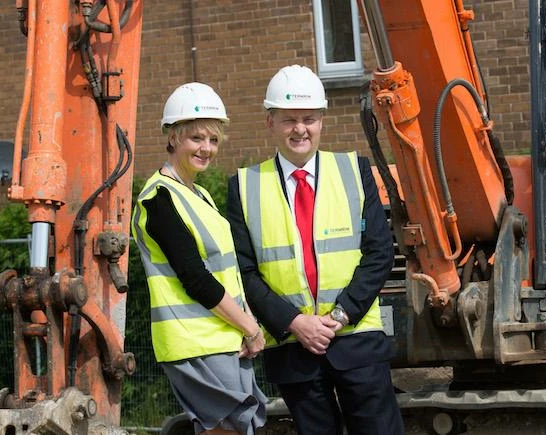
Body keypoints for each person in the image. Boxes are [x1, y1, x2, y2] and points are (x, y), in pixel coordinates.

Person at [226, 65, 404, 435]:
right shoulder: (244, 186)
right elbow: (244, 272)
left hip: (356, 339)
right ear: (270, 122)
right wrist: (295, 323)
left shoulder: (355, 171)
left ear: (322, 120)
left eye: (308, 118)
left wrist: (339, 316)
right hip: (294, 348)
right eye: (289, 120)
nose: (300, 129)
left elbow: (380, 252)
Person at [132, 82, 267, 435]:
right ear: (173, 137)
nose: (206, 148)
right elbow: (196, 278)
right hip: (194, 340)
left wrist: (244, 322)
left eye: (213, 139)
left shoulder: (199, 193)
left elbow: (226, 273)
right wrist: (250, 327)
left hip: (220, 336)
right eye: (196, 138)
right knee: (228, 430)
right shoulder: (159, 200)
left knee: (237, 428)